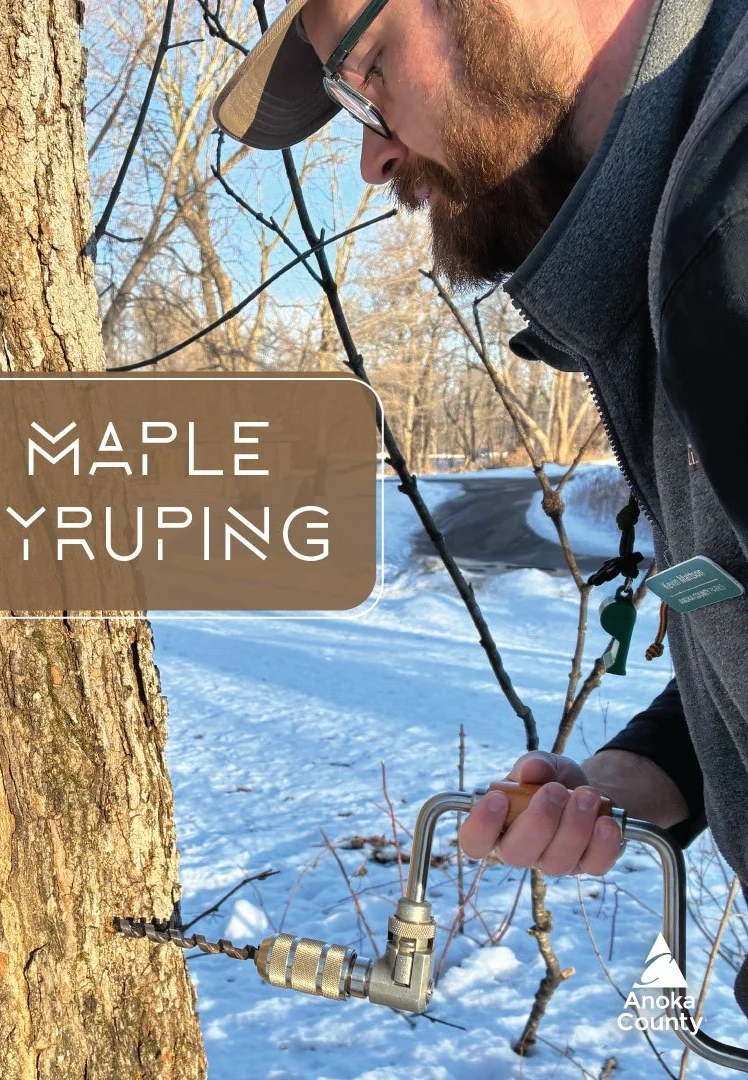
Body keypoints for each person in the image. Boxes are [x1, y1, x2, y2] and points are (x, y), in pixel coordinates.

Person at [212, 0, 748, 1013]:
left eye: (366, 72)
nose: (370, 161)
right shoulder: (679, 226)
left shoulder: (731, 228)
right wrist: (660, 767)